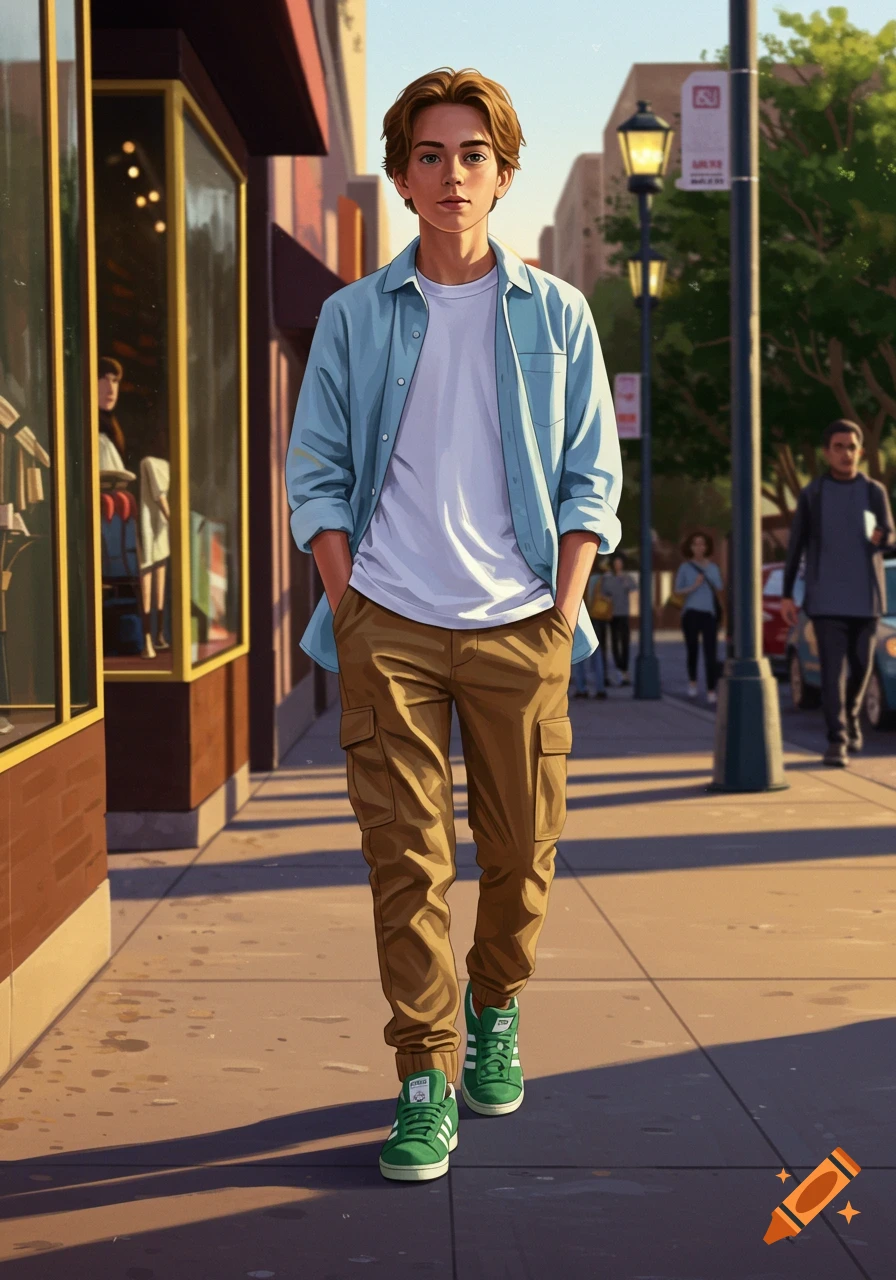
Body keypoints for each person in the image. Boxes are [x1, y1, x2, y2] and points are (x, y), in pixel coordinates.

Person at [285, 68, 622, 1184]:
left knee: (521, 856)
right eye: (428, 155)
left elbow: (591, 474)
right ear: (400, 176)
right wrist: (347, 597)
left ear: (503, 172)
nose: (450, 175)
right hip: (388, 620)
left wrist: (563, 604)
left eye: (472, 154)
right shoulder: (352, 316)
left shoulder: (557, 314)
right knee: (406, 861)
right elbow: (314, 472)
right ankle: (423, 1078)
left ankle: (494, 1004)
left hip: (521, 624)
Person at [781, 420, 896, 766]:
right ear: (827, 452)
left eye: (851, 447)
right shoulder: (812, 494)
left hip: (866, 598)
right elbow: (795, 546)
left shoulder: (873, 491)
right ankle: (837, 739)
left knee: (861, 668)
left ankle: (851, 715)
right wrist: (787, 594)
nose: (846, 454)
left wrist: (883, 537)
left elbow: (890, 535)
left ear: (860, 452)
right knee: (831, 672)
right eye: (839, 447)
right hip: (826, 599)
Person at [675, 531, 723, 704]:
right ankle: (693, 682)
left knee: (711, 652)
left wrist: (709, 577)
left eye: (702, 544)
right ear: (690, 547)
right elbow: (677, 591)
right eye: (695, 544)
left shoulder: (713, 567)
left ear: (707, 547)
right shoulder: (685, 567)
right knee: (692, 650)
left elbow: (719, 586)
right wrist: (694, 586)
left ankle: (711, 689)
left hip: (708, 614)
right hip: (690, 613)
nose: (699, 547)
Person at [571, 564, 608, 698]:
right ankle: (600, 688)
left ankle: (581, 688)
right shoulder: (601, 578)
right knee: (597, 654)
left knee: (579, 653)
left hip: (580, 617)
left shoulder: (577, 575)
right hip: (597, 618)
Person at [601, 553, 636, 685]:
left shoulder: (627, 577)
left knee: (625, 642)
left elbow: (634, 588)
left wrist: (626, 582)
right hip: (612, 614)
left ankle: (624, 670)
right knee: (615, 642)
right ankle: (619, 671)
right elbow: (602, 593)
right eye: (616, 563)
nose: (618, 566)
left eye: (619, 563)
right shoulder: (608, 578)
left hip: (624, 613)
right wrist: (607, 599)